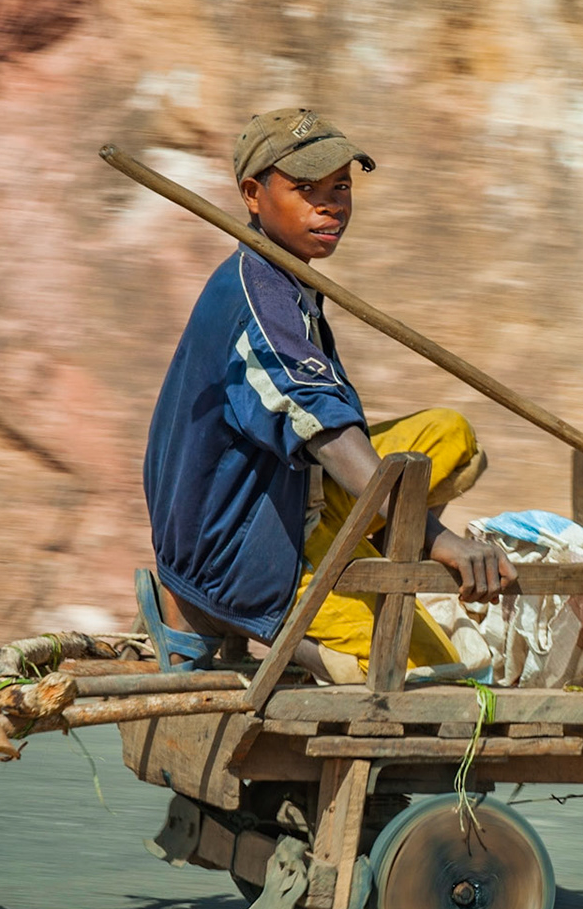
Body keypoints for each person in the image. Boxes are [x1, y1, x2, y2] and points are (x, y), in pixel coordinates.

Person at [139, 108, 515, 678]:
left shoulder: (289, 278)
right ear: (252, 194)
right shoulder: (258, 297)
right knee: (428, 670)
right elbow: (327, 430)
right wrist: (439, 542)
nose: (331, 205)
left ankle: (366, 552)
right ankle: (220, 613)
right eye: (306, 189)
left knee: (450, 434)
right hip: (241, 547)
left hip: (285, 498)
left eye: (340, 187)